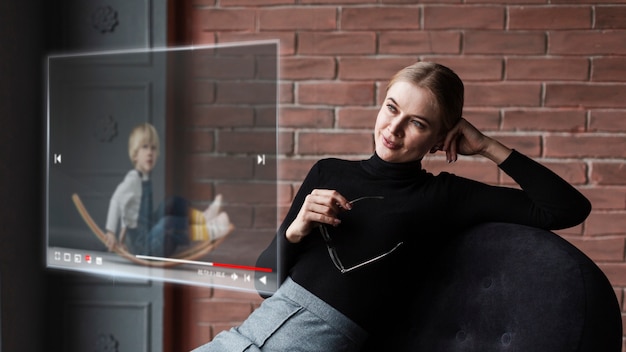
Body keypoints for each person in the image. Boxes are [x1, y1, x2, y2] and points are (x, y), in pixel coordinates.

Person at [192, 62, 591, 351]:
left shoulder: (444, 196)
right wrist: (295, 230)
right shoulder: (327, 171)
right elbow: (264, 286)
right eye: (391, 107)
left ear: (439, 140)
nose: (394, 129)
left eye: (417, 123)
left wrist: (487, 147)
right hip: (240, 338)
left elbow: (565, 209)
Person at [104, 122, 232, 258]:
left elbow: (128, 212)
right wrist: (111, 233)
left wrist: (123, 240)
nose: (150, 152)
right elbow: (117, 201)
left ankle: (202, 218)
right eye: (145, 147)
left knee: (171, 203)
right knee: (168, 223)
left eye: (153, 148)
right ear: (135, 154)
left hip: (150, 234)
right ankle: (209, 231)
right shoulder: (133, 179)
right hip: (145, 249)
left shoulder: (144, 178)